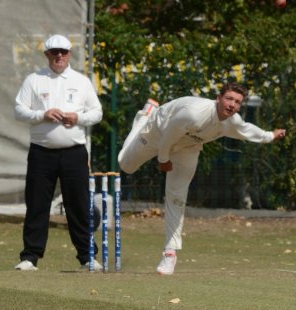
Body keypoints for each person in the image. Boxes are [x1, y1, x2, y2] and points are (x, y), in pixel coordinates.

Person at [118, 82, 287, 275]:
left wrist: (269, 136)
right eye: (229, 99)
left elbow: (247, 130)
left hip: (188, 147)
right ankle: (145, 115)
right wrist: (163, 160)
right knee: (126, 165)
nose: (232, 105)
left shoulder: (231, 121)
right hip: (159, 131)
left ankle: (170, 254)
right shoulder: (194, 113)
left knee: (177, 196)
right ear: (218, 98)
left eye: (237, 102)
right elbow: (168, 136)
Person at [13, 34, 103, 271]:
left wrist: (78, 118)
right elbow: (19, 110)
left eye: (63, 52)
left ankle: (87, 256)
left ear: (69, 54)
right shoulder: (34, 80)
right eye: (54, 52)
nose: (59, 56)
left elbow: (97, 113)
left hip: (74, 152)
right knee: (37, 205)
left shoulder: (81, 81)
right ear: (47, 55)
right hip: (41, 153)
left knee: (79, 206)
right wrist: (41, 115)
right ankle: (30, 257)